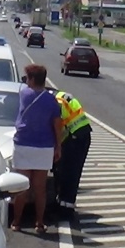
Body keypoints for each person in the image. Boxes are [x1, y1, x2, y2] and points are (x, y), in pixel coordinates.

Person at [11, 64, 63, 233]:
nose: (26, 81)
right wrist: (58, 146)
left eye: (27, 78)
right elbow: (57, 125)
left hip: (23, 144)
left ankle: (16, 222)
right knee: (40, 188)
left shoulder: (24, 94)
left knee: (22, 187)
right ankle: (39, 223)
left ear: (32, 79)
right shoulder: (51, 100)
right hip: (44, 147)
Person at [52, 89, 91, 221]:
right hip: (80, 133)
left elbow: (58, 128)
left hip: (76, 137)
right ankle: (63, 204)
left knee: (70, 173)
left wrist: (57, 146)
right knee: (68, 172)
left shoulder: (56, 103)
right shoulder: (59, 97)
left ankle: (66, 210)